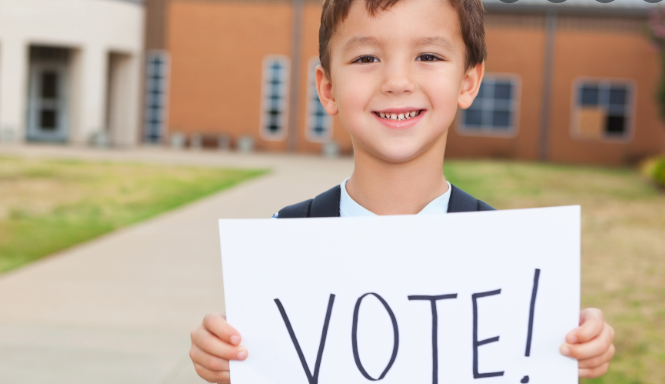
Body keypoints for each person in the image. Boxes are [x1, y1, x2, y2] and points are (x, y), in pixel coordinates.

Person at [189, 0, 615, 381]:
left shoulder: (504, 253)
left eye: (428, 55)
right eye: (366, 57)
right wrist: (227, 356)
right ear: (328, 87)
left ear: (468, 82)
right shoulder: (284, 239)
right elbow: (272, 357)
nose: (397, 81)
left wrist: (576, 346)